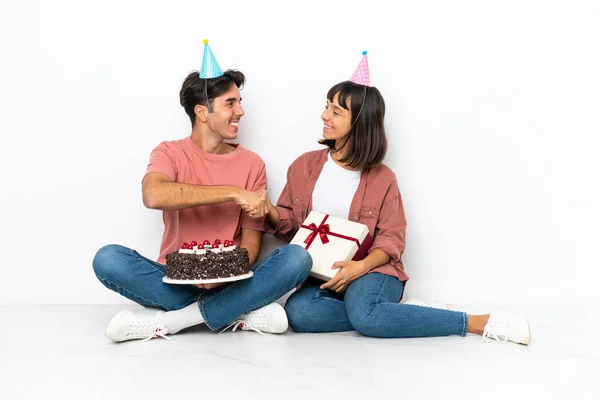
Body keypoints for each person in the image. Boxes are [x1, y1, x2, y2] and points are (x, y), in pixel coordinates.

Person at [245, 52, 530, 344]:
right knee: (300, 314)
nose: (324, 116)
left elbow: (391, 240)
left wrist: (359, 267)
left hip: (374, 271)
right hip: (323, 277)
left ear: (359, 123)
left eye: (336, 111)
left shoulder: (383, 179)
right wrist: (268, 210)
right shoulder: (304, 166)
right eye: (326, 106)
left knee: (365, 315)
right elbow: (291, 224)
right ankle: (391, 315)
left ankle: (476, 323)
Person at [92, 40, 311, 342]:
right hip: (173, 280)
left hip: (233, 280)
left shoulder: (252, 163)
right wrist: (233, 192)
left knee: (297, 258)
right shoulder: (168, 153)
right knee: (108, 259)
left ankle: (175, 321)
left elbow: (251, 245)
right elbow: (154, 195)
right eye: (230, 103)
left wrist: (219, 275)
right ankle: (238, 313)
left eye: (240, 101)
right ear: (202, 112)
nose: (241, 111)